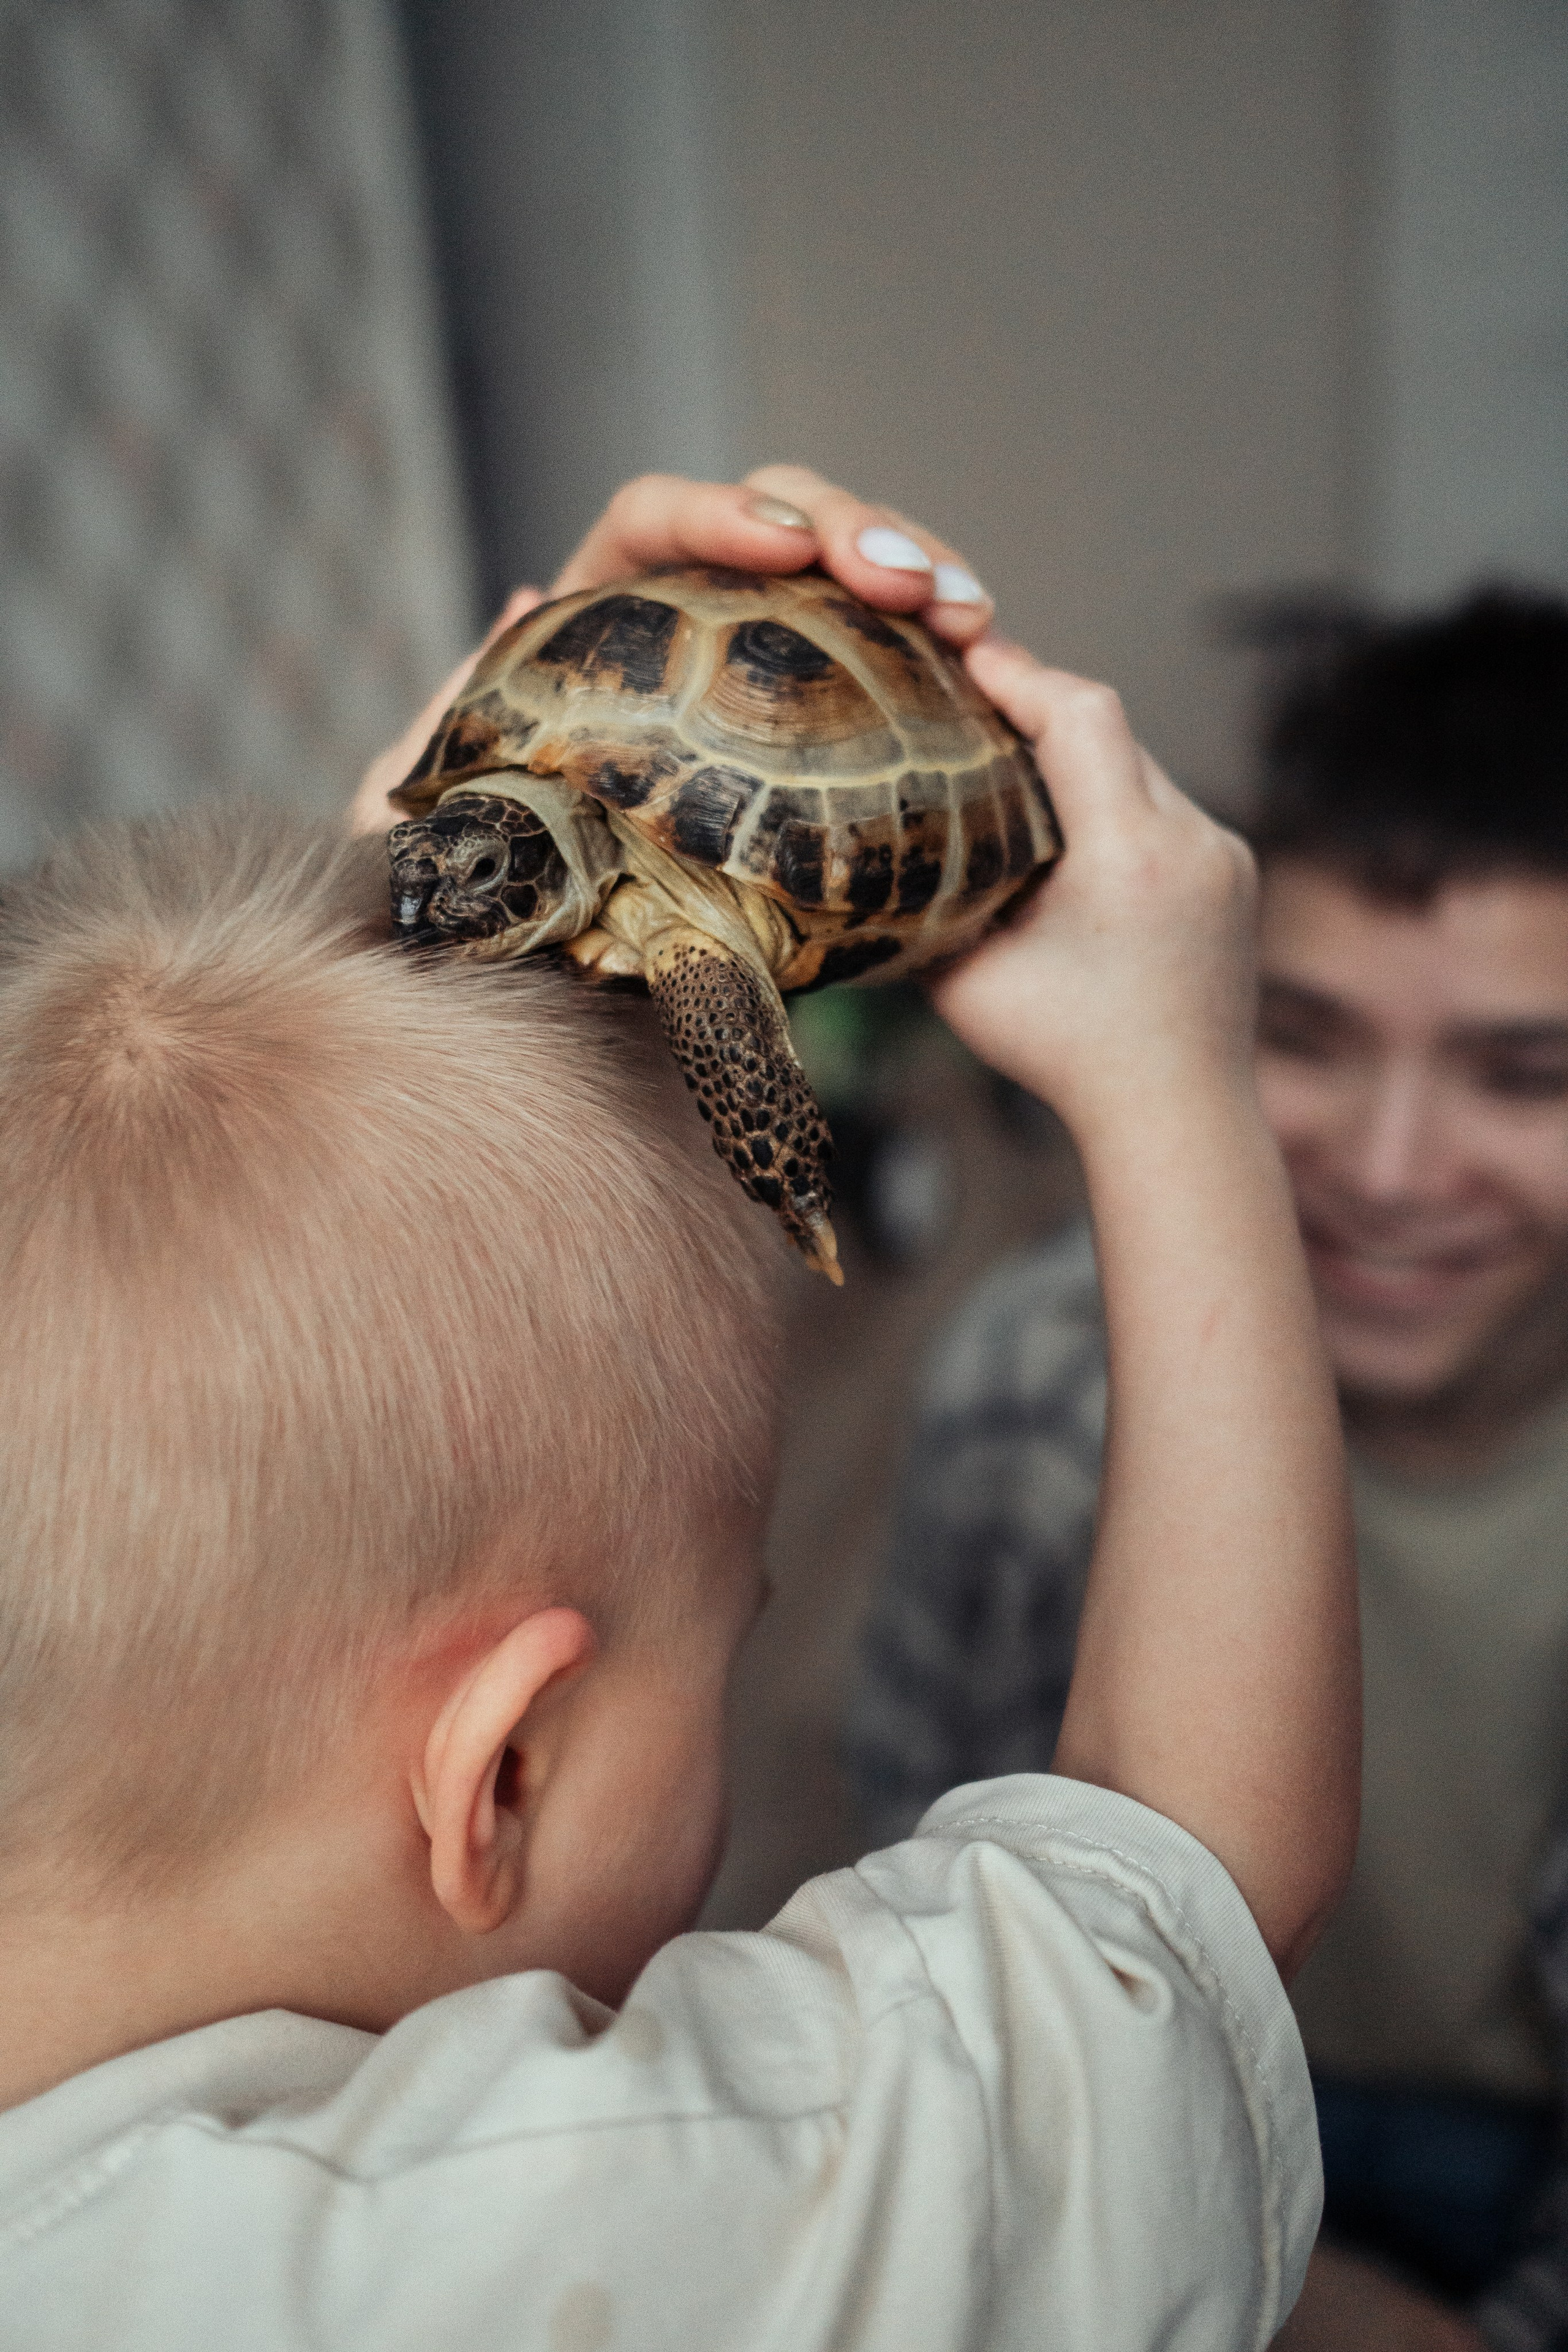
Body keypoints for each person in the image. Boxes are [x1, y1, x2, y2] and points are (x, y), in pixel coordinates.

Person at [0, 469, 1357, 2350]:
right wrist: (1170, 1075)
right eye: (738, 1641)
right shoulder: (580, 2227)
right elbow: (1189, 1883)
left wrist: (425, 871)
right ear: (504, 1773)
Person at [846, 587, 1568, 2352]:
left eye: (1522, 1074)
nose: (1393, 1170)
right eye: (1304, 1041)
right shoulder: (1034, 1375)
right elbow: (915, 1862)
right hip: (1158, 2111)